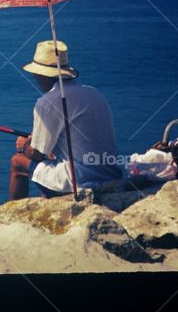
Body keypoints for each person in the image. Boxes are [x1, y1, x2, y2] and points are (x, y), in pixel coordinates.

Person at [9, 40, 123, 200]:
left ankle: (14, 214)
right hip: (111, 174)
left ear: (42, 74)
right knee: (52, 163)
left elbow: (36, 154)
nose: (34, 76)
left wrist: (24, 146)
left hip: (79, 181)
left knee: (17, 162)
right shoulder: (93, 94)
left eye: (36, 73)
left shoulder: (47, 102)